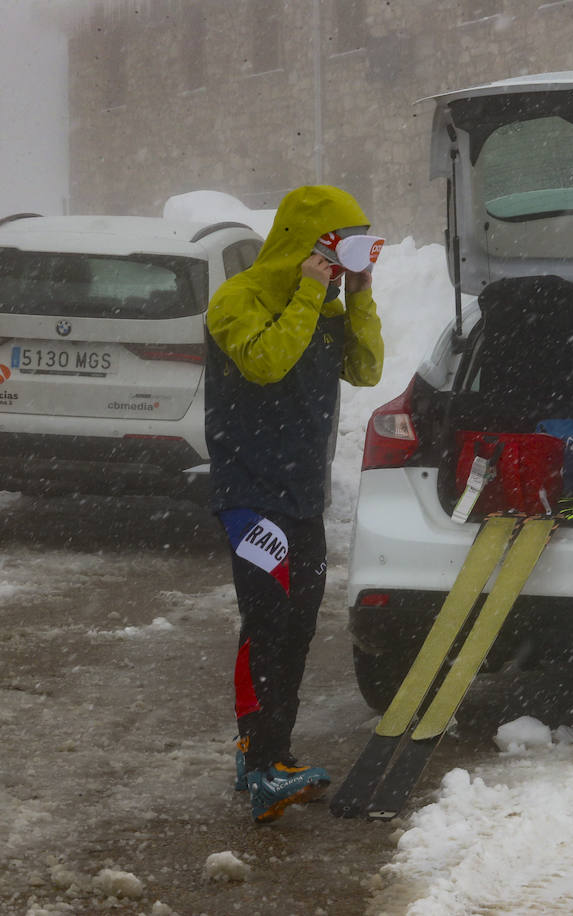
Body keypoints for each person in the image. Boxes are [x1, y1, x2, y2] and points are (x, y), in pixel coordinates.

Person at [204, 185, 384, 824]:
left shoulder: (331, 305)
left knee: (301, 625)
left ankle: (263, 756)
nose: (343, 266)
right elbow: (265, 364)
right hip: (251, 494)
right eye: (340, 250)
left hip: (303, 495)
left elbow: (365, 371)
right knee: (267, 623)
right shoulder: (238, 299)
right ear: (307, 246)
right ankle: (263, 765)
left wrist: (357, 296)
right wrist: (309, 292)